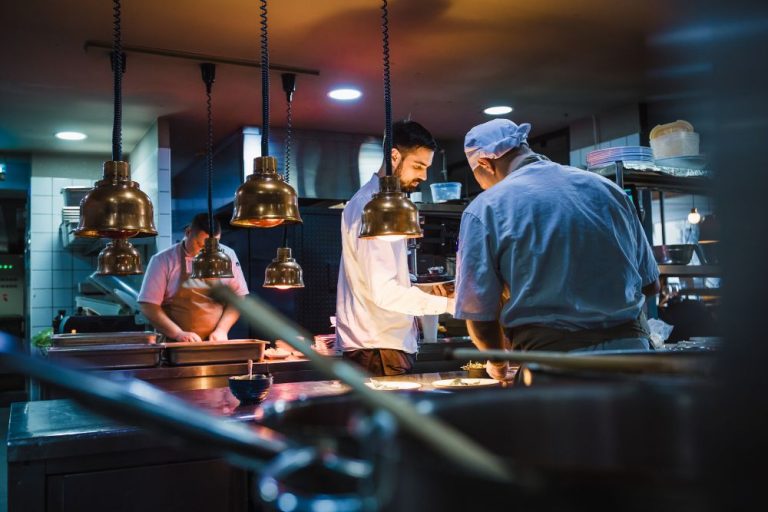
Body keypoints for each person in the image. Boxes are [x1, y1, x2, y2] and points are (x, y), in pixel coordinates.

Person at [454, 119, 660, 380]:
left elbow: (480, 317)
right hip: (633, 358)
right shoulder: (609, 190)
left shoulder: (485, 208)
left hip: (555, 366)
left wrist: (498, 363)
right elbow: (651, 285)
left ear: (485, 164)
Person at [336, 120, 455, 376]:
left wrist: (423, 290)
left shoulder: (377, 203)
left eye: (427, 168)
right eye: (418, 166)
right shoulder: (374, 207)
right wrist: (450, 305)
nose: (424, 176)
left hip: (378, 348)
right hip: (378, 351)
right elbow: (386, 293)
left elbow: (379, 284)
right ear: (394, 156)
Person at [138, 213, 249, 342]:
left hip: (215, 342)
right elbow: (148, 305)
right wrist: (178, 333)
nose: (206, 252)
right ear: (188, 232)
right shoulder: (163, 260)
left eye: (213, 246)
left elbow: (238, 297)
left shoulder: (228, 256)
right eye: (200, 245)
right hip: (174, 344)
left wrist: (222, 329)